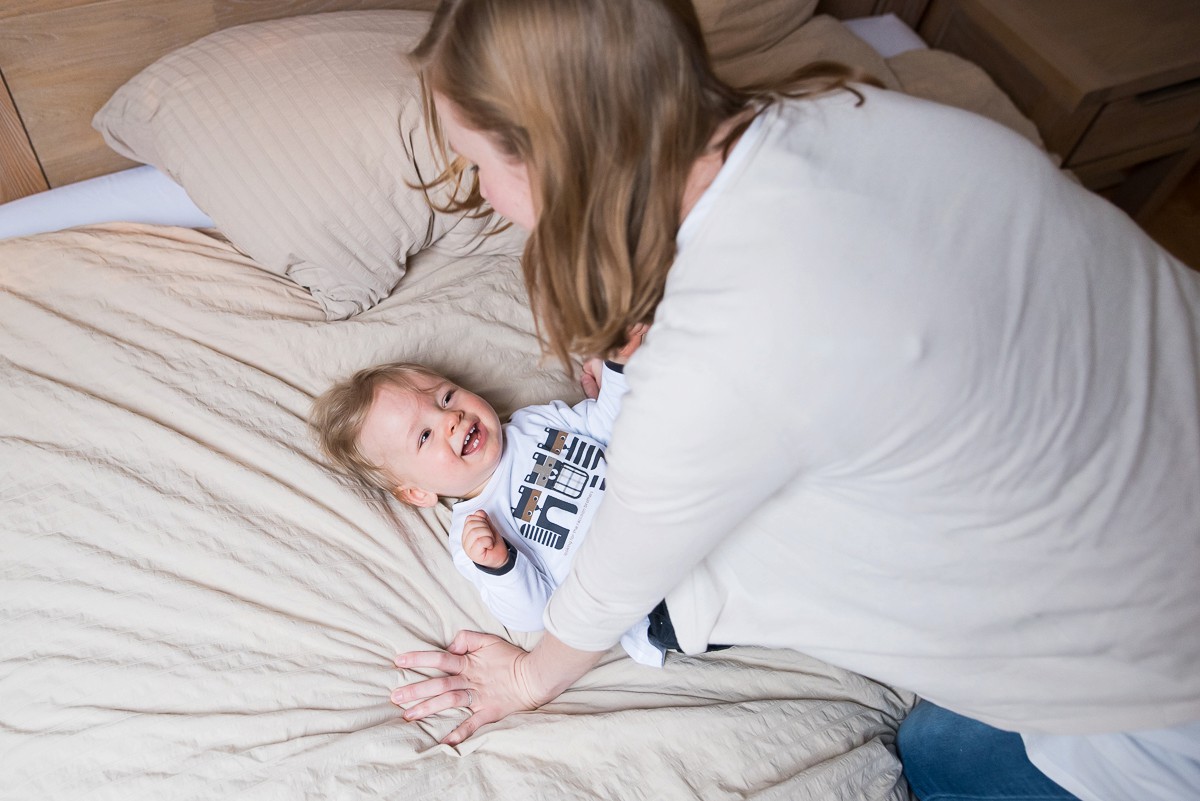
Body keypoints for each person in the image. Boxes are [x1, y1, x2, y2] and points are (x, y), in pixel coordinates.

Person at [390, 1, 1200, 799]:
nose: (489, 199)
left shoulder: (723, 347)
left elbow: (614, 576)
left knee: (937, 753)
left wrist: (528, 679)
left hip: (1160, 673)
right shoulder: (865, 116)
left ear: (551, 159)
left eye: (480, 167)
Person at [310, 330, 668, 668]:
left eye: (446, 397)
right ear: (418, 492)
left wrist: (619, 367)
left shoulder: (534, 421)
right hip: (644, 601)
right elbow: (535, 614)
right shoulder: (475, 535)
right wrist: (502, 566)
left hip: (671, 509)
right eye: (424, 436)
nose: (451, 418)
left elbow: (610, 425)